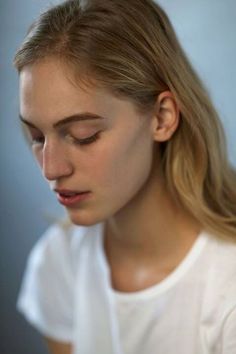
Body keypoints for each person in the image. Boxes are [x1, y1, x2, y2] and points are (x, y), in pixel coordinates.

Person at [14, 0, 236, 353]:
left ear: (162, 118)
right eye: (38, 137)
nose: (51, 168)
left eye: (83, 134)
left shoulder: (226, 292)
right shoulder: (60, 261)